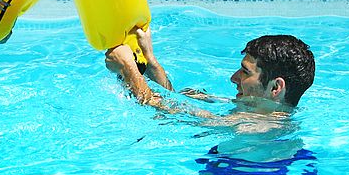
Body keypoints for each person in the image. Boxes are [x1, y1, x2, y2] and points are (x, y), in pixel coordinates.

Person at [104, 28, 315, 120]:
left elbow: (161, 111)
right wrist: (151, 61)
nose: (234, 78)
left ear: (276, 88)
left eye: (245, 71)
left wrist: (128, 68)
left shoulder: (257, 127)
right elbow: (173, 101)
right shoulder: (251, 110)